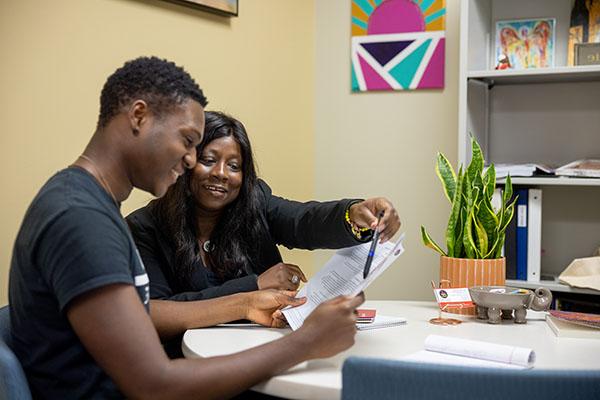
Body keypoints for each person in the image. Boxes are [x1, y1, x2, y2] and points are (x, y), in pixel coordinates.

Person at [8, 56, 364, 399]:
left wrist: (245, 303)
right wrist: (304, 344)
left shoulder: (86, 203)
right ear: (139, 116)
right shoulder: (81, 219)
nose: (192, 160)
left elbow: (146, 314)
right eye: (188, 141)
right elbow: (155, 386)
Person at [126, 111, 401, 353]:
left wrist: (353, 214)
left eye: (234, 166)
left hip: (265, 352)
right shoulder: (145, 228)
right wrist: (253, 286)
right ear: (184, 163)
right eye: (208, 160)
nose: (222, 173)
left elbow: (303, 221)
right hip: (191, 365)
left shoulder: (255, 201)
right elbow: (156, 314)